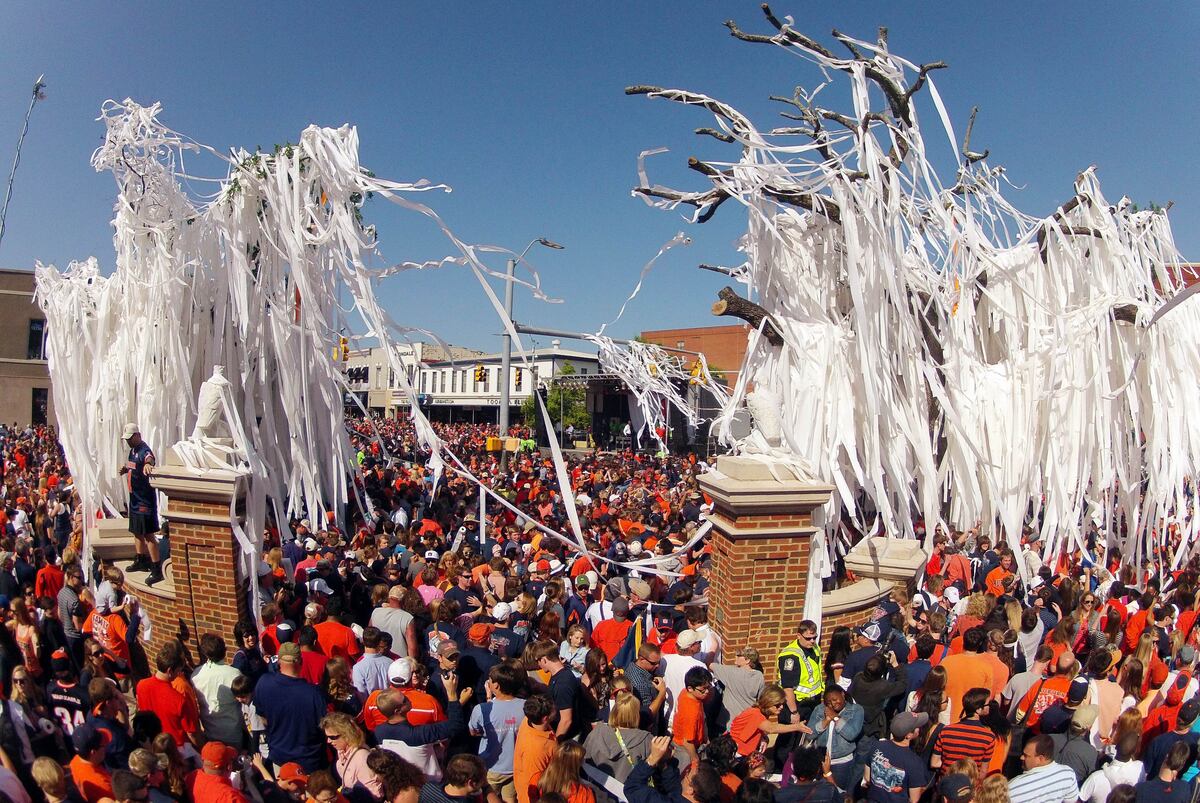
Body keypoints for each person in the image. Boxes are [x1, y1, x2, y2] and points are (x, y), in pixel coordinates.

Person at [253, 642, 328, 773]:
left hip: (280, 761)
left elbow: (263, 719)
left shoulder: (263, 683)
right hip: (309, 765)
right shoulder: (314, 694)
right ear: (300, 661)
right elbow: (324, 729)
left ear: (279, 662)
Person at [468, 663, 526, 803]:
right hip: (515, 766)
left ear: (497, 685)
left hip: (490, 768)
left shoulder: (481, 709)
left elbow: (473, 731)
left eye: (490, 680)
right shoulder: (526, 706)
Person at [119, 424, 163, 585]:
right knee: (137, 531)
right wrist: (126, 469)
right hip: (135, 499)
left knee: (148, 534)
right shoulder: (132, 451)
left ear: (138, 435)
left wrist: (148, 464)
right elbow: (135, 467)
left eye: (131, 438)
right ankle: (141, 559)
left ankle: (156, 567)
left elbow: (148, 459)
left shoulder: (144, 450)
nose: (129, 441)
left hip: (144, 501)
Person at [862, 711, 930, 803]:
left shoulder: (876, 746)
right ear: (908, 735)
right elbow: (914, 799)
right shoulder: (915, 762)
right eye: (917, 727)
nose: (919, 729)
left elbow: (867, 778)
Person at [802, 686, 862, 791]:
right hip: (820, 759)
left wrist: (836, 717)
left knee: (838, 792)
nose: (832, 704)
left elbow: (851, 734)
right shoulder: (819, 709)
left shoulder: (856, 710)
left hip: (842, 762)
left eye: (835, 699)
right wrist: (826, 720)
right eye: (828, 702)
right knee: (820, 792)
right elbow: (810, 734)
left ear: (843, 694)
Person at [192, 632, 245, 747]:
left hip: (210, 733)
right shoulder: (234, 674)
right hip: (232, 733)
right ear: (224, 652)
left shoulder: (196, 675)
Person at [931, 687, 995, 775]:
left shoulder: (946, 731)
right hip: (969, 784)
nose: (990, 706)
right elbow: (983, 771)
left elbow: (934, 763)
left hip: (946, 783)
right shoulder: (988, 737)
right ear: (978, 709)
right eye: (988, 704)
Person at [324, 712, 383, 801]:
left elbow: (376, 794)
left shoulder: (362, 758)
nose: (328, 741)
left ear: (347, 735)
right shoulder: (341, 751)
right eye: (327, 737)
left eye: (332, 737)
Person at [1007, 734, 1079, 803]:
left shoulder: (1014, 787)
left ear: (1040, 759)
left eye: (1026, 755)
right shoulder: (1068, 774)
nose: (1021, 757)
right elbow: (1071, 800)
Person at [777, 620, 825, 723]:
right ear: (799, 635)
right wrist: (794, 712)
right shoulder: (790, 656)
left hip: (812, 702)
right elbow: (787, 688)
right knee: (791, 738)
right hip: (796, 704)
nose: (812, 641)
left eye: (814, 637)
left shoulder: (814, 648)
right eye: (808, 638)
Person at [710, 646, 766, 732]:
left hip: (728, 724)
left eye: (739, 655)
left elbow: (710, 664)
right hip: (747, 723)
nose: (735, 657)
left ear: (747, 661)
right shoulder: (759, 676)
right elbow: (761, 700)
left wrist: (712, 649)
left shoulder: (731, 672)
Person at [514, 694, 557, 803]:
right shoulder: (536, 750)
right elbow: (535, 784)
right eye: (553, 710)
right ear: (545, 718)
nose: (556, 709)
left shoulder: (529, 721)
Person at [671, 666, 712, 768]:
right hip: (685, 749)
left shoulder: (685, 693)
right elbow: (687, 741)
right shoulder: (691, 712)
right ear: (690, 688)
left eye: (708, 687)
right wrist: (695, 759)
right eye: (703, 690)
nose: (707, 692)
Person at [69, 722, 114, 803]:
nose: (106, 747)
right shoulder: (101, 784)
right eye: (103, 745)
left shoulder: (75, 761)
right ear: (93, 752)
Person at [419, 753, 487, 803]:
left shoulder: (428, 787)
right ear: (471, 783)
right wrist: (487, 787)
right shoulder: (468, 801)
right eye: (483, 779)